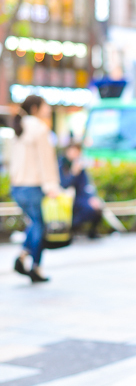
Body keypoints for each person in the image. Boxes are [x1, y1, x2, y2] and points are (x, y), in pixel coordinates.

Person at [9, 94, 61, 282]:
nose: (48, 109)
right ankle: (34, 265)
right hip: (33, 186)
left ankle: (24, 257)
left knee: (34, 223)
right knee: (39, 224)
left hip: (17, 186)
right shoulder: (39, 129)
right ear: (35, 108)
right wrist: (52, 186)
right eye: (45, 105)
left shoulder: (18, 128)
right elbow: (46, 161)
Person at [59, 142, 103, 239]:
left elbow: (87, 185)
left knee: (97, 208)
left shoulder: (79, 165)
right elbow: (64, 185)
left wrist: (93, 197)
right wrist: (73, 173)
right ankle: (72, 228)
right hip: (65, 198)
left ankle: (92, 232)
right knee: (88, 210)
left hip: (80, 197)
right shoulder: (62, 165)